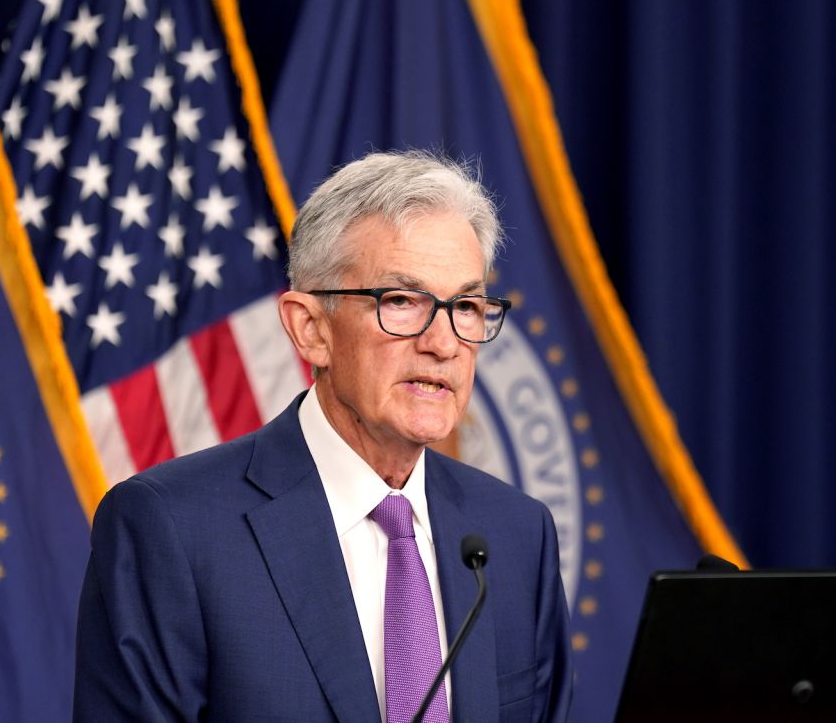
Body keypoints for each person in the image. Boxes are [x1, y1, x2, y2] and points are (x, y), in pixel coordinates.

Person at [74, 151, 572, 722]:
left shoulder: (517, 534)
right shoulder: (170, 530)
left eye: (464, 305)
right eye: (403, 302)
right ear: (311, 330)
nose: (444, 342)